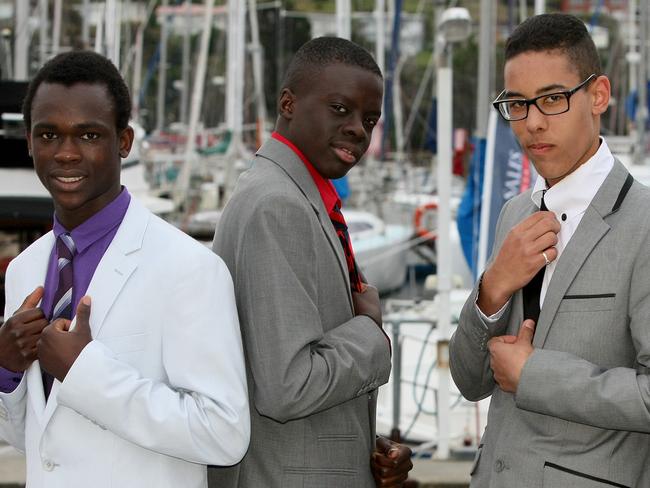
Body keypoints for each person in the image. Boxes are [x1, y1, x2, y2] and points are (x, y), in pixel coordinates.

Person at [0, 51, 250, 488]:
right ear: (29, 142)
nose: (66, 153)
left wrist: (85, 371)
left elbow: (224, 433)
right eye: (49, 135)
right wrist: (6, 369)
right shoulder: (23, 270)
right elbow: (36, 439)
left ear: (124, 142)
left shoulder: (190, 267)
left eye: (89, 135)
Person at [450, 13, 650, 488]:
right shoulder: (512, 214)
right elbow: (469, 380)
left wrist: (536, 375)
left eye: (552, 99)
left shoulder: (643, 224)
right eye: (517, 104)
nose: (533, 123)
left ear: (598, 94)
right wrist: (492, 287)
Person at [210, 37, 412, 488]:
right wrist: (371, 332)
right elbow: (287, 386)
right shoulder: (276, 205)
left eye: (370, 119)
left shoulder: (299, 196)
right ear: (288, 103)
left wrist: (363, 447)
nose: (359, 129)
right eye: (340, 109)